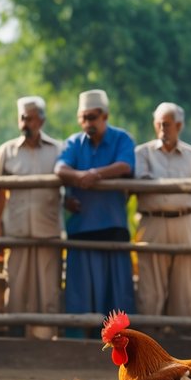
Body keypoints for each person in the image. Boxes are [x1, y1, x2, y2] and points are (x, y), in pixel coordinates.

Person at [56, 89, 135, 333]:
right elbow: (60, 169)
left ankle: (120, 342)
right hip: (82, 228)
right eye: (83, 118)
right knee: (80, 295)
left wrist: (95, 174)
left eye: (92, 117)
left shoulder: (122, 138)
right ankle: (79, 342)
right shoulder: (74, 142)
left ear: (105, 116)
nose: (88, 123)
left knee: (116, 294)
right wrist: (81, 176)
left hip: (112, 226)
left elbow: (125, 165)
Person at [0, 96, 63, 339]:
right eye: (22, 118)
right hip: (16, 231)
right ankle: (16, 341)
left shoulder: (58, 150)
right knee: (16, 286)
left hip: (47, 230)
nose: (25, 123)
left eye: (30, 119)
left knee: (48, 289)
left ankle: (46, 341)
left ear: (41, 121)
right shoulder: (6, 151)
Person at [134, 102, 191, 322]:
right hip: (153, 222)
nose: (162, 129)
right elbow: (139, 183)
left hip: (185, 220)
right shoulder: (142, 153)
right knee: (150, 288)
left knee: (186, 287)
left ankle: (186, 337)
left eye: (166, 124)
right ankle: (149, 338)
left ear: (179, 126)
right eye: (158, 124)